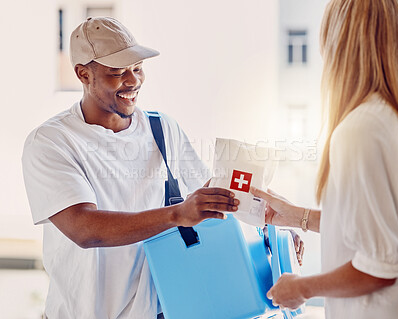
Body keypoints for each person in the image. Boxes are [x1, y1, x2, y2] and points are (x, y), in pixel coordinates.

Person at [21, 17, 240, 319]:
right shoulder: (52, 141)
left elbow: (213, 197)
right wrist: (177, 215)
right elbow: (84, 229)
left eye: (137, 68)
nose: (133, 80)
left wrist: (274, 228)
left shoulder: (162, 128)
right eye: (117, 72)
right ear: (83, 74)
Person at [251, 0, 398, 318]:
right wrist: (296, 216)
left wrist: (302, 288)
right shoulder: (386, 117)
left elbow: (382, 266)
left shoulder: (360, 129)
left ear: (339, 42)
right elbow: (374, 224)